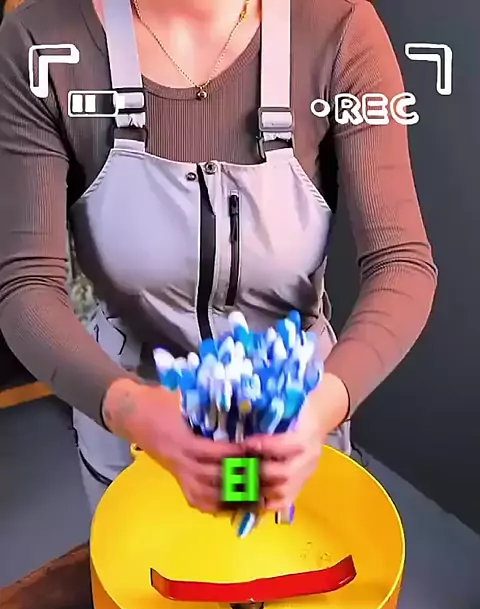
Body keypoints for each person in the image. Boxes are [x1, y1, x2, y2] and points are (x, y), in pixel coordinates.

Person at [0, 0, 437, 518]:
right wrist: (133, 408)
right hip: (132, 435)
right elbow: (26, 285)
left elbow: (400, 262)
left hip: (296, 425)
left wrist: (322, 404)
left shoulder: (340, 30)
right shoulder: (40, 43)